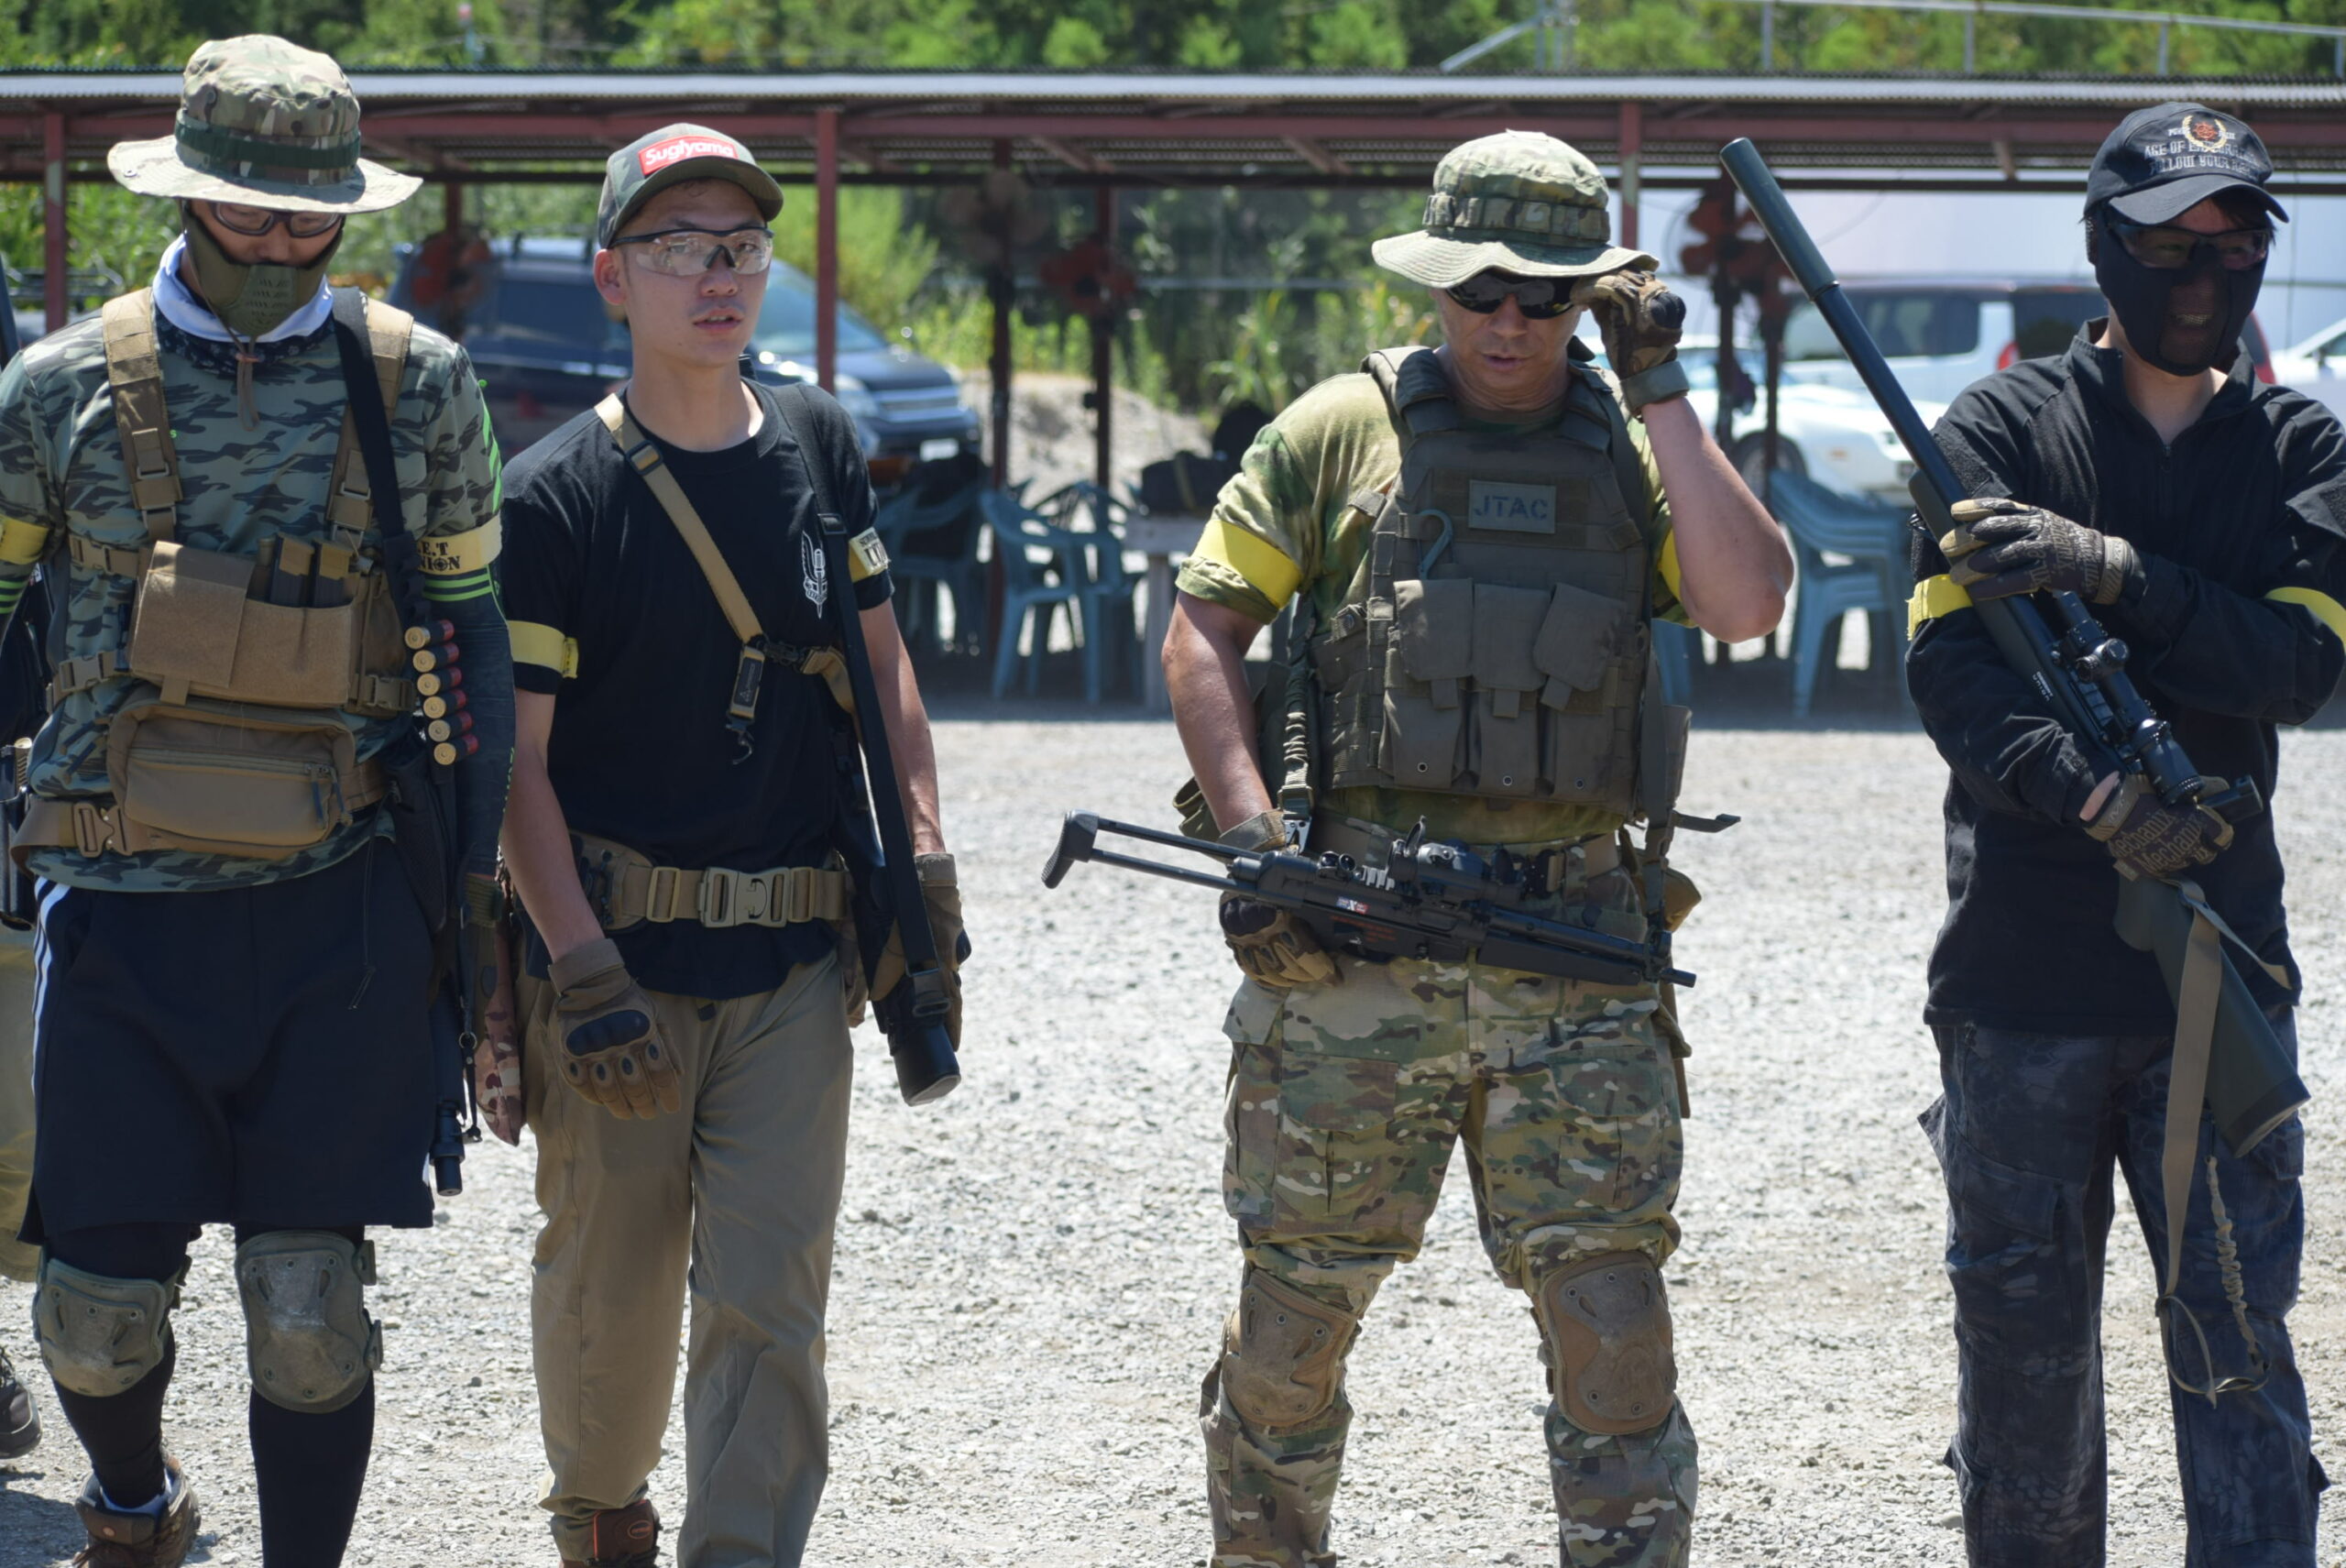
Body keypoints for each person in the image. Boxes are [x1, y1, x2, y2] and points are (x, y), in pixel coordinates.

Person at [1162, 130, 1790, 1568]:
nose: (1509, 322)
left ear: (1592, 299)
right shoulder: (1343, 430)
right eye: (1481, 291)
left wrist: (1663, 388)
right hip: (1355, 952)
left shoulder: (1632, 442)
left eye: (1547, 296)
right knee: (1292, 1330)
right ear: (1437, 283)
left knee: (1613, 1331)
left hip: (1573, 954)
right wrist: (1255, 844)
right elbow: (1203, 630)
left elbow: (1749, 604)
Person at [0, 35, 512, 1567]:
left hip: (339, 908)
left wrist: (471, 901)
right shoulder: (54, 389)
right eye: (250, 209)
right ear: (185, 192)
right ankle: (134, 1507)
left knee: (308, 1313)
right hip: (120, 907)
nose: (283, 241)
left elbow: (474, 641)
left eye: (311, 214)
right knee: (92, 1315)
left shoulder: (421, 384)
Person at [498, 124, 960, 1568]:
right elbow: (514, 765)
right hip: (618, 968)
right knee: (614, 1291)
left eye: (743, 249)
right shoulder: (553, 496)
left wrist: (923, 867)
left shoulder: (820, 444)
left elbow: (884, 671)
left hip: (791, 967)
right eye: (681, 249)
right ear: (612, 279)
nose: (719, 277)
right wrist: (579, 968)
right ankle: (601, 1513)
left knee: (772, 1298)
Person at [1905, 102, 2344, 1568]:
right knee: (2022, 1374)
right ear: (2103, 248)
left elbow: (2300, 667)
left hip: (2218, 978)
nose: (2204, 271)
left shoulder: (2300, 447)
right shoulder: (1993, 432)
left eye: (2234, 240)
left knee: (2237, 1355)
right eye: (2170, 243)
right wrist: (2091, 795)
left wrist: (2112, 569)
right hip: (2018, 984)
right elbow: (1951, 675)